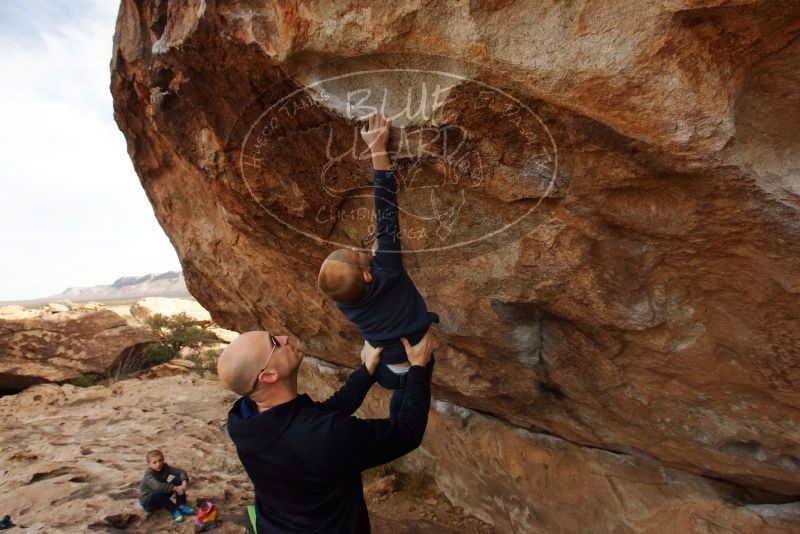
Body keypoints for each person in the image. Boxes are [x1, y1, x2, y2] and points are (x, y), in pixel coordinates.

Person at [218, 327, 436, 533]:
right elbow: (407, 432)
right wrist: (419, 367)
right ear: (268, 376)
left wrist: (366, 371)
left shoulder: (246, 420)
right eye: (275, 342)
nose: (284, 338)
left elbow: (322, 413)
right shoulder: (325, 434)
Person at [318, 112, 439, 420]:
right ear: (368, 274)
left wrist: (373, 259)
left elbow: (363, 278)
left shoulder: (347, 303)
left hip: (384, 369)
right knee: (408, 393)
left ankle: (398, 409)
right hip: (415, 359)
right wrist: (377, 149)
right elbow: (386, 210)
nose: (362, 250)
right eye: (360, 256)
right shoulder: (389, 268)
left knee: (399, 392)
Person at [138, 449, 194, 523]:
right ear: (149, 465)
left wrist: (184, 483)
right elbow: (157, 486)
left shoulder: (165, 468)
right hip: (149, 503)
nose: (158, 464)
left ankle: (181, 505)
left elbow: (181, 472)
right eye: (154, 462)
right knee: (157, 491)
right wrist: (175, 488)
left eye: (160, 460)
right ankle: (174, 510)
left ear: (163, 460)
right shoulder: (149, 474)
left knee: (178, 479)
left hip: (161, 495)